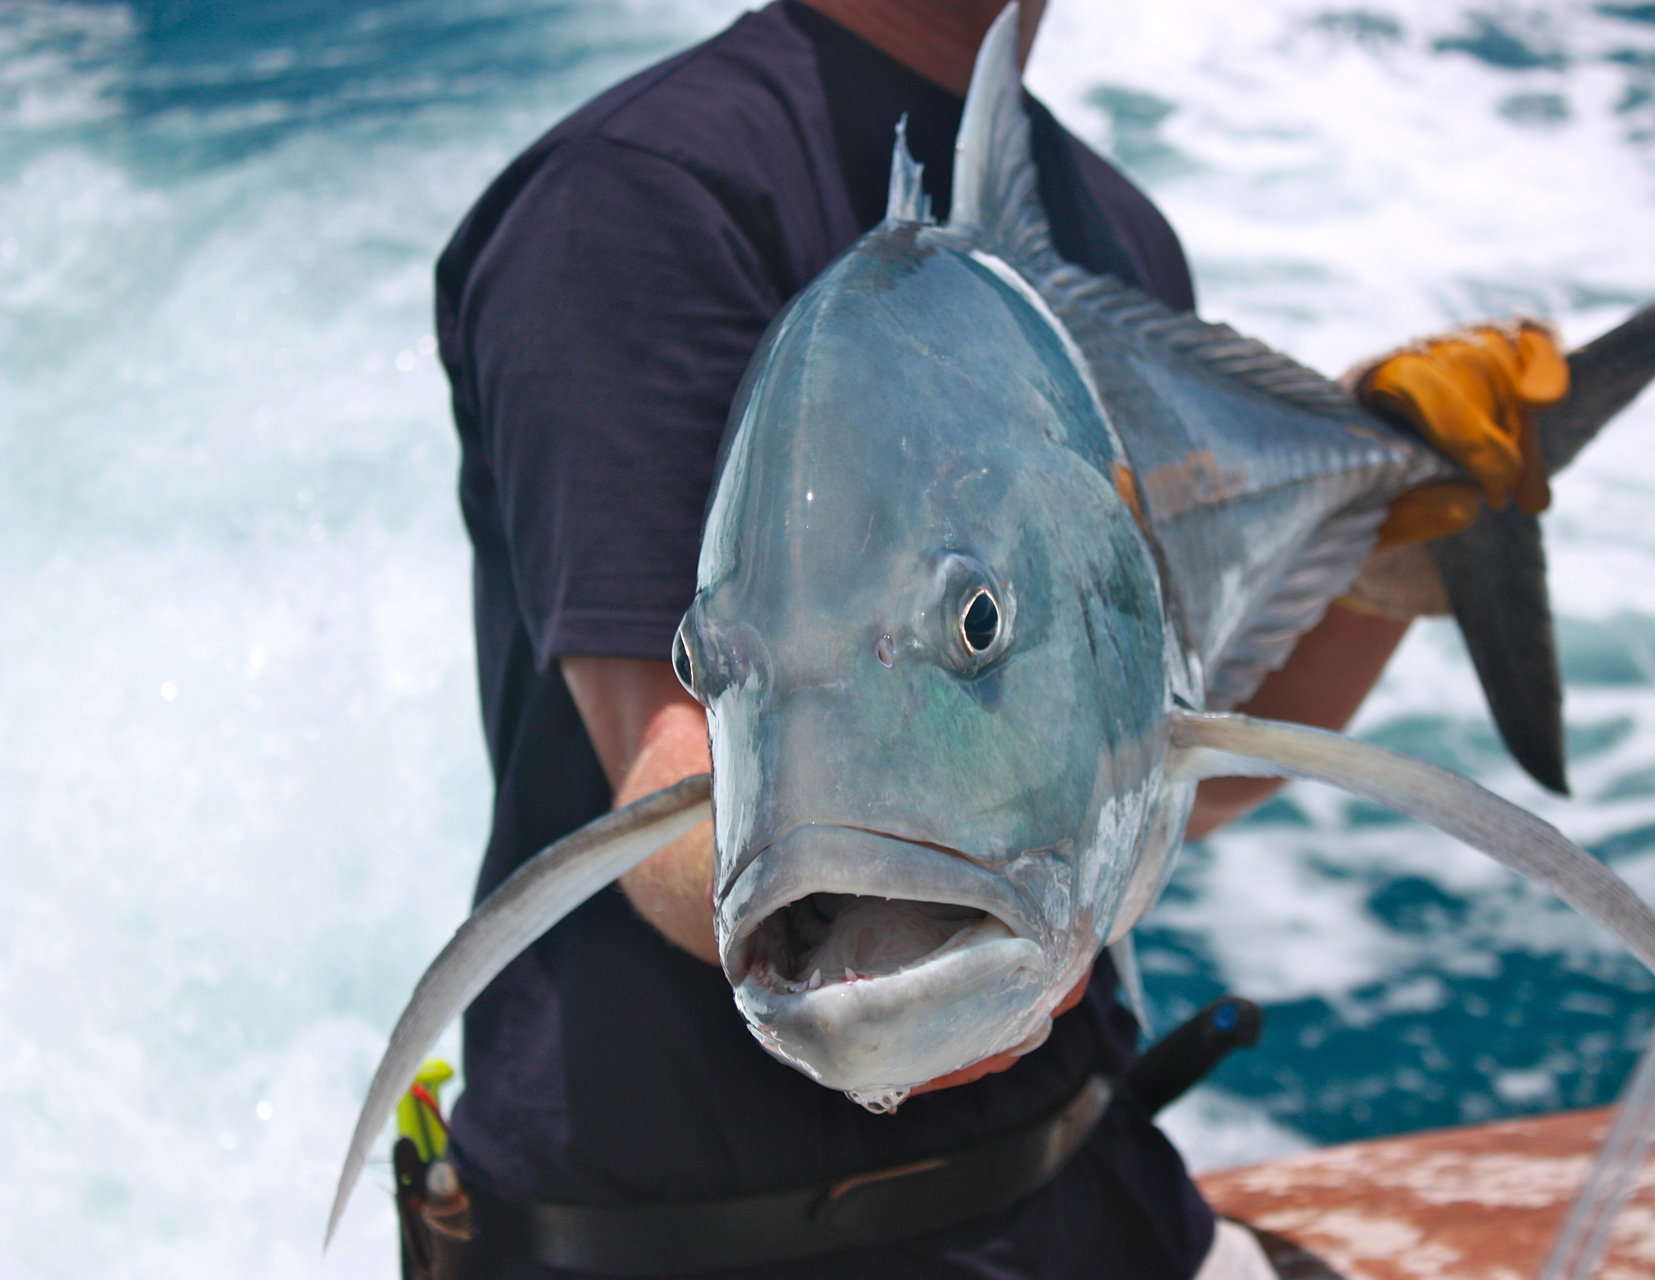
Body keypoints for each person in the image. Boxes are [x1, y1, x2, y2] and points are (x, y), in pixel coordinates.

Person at [433, 1, 1415, 1275]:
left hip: (1098, 1198)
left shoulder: (1115, 227)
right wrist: (906, 984)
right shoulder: (635, 200)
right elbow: (663, 776)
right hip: (687, 1244)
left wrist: (1401, 561)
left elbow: (1160, 776)